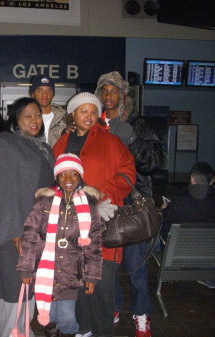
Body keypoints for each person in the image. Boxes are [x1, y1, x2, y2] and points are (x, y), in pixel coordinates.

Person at [0, 97, 55, 337]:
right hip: (12, 232)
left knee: (28, 286)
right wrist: (14, 231)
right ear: (15, 119)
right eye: (27, 115)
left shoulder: (42, 147)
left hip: (38, 230)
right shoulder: (3, 144)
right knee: (12, 287)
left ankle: (23, 331)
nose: (34, 120)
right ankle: (13, 332)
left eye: (38, 115)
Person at [53, 92, 136, 337]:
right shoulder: (62, 142)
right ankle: (83, 329)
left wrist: (101, 194)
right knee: (76, 284)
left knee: (101, 286)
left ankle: (102, 331)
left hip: (103, 223)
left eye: (93, 111)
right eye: (83, 111)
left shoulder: (111, 142)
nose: (89, 116)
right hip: (70, 225)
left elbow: (128, 174)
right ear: (72, 114)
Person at [95, 71, 164, 337]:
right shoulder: (94, 123)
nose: (108, 96)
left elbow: (154, 163)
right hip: (106, 204)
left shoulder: (138, 123)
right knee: (108, 266)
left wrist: (132, 139)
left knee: (135, 268)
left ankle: (141, 315)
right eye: (104, 91)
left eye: (113, 91)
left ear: (123, 95)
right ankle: (113, 307)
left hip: (133, 206)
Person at [17, 153, 103, 337]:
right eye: (63, 174)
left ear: (80, 176)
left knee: (66, 317)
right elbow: (31, 235)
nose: (68, 179)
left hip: (71, 271)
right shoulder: (44, 202)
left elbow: (94, 244)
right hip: (45, 270)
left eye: (73, 173)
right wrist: (26, 268)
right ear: (56, 177)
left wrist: (92, 276)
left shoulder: (88, 205)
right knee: (50, 317)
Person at [161, 162, 215, 239]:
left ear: (192, 179)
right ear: (212, 181)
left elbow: (165, 229)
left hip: (178, 248)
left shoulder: (178, 202)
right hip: (210, 249)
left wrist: (164, 211)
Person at [29, 75, 67, 147]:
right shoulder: (24, 119)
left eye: (49, 91)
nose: (44, 94)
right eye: (39, 91)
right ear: (33, 94)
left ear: (53, 94)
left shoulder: (65, 118)